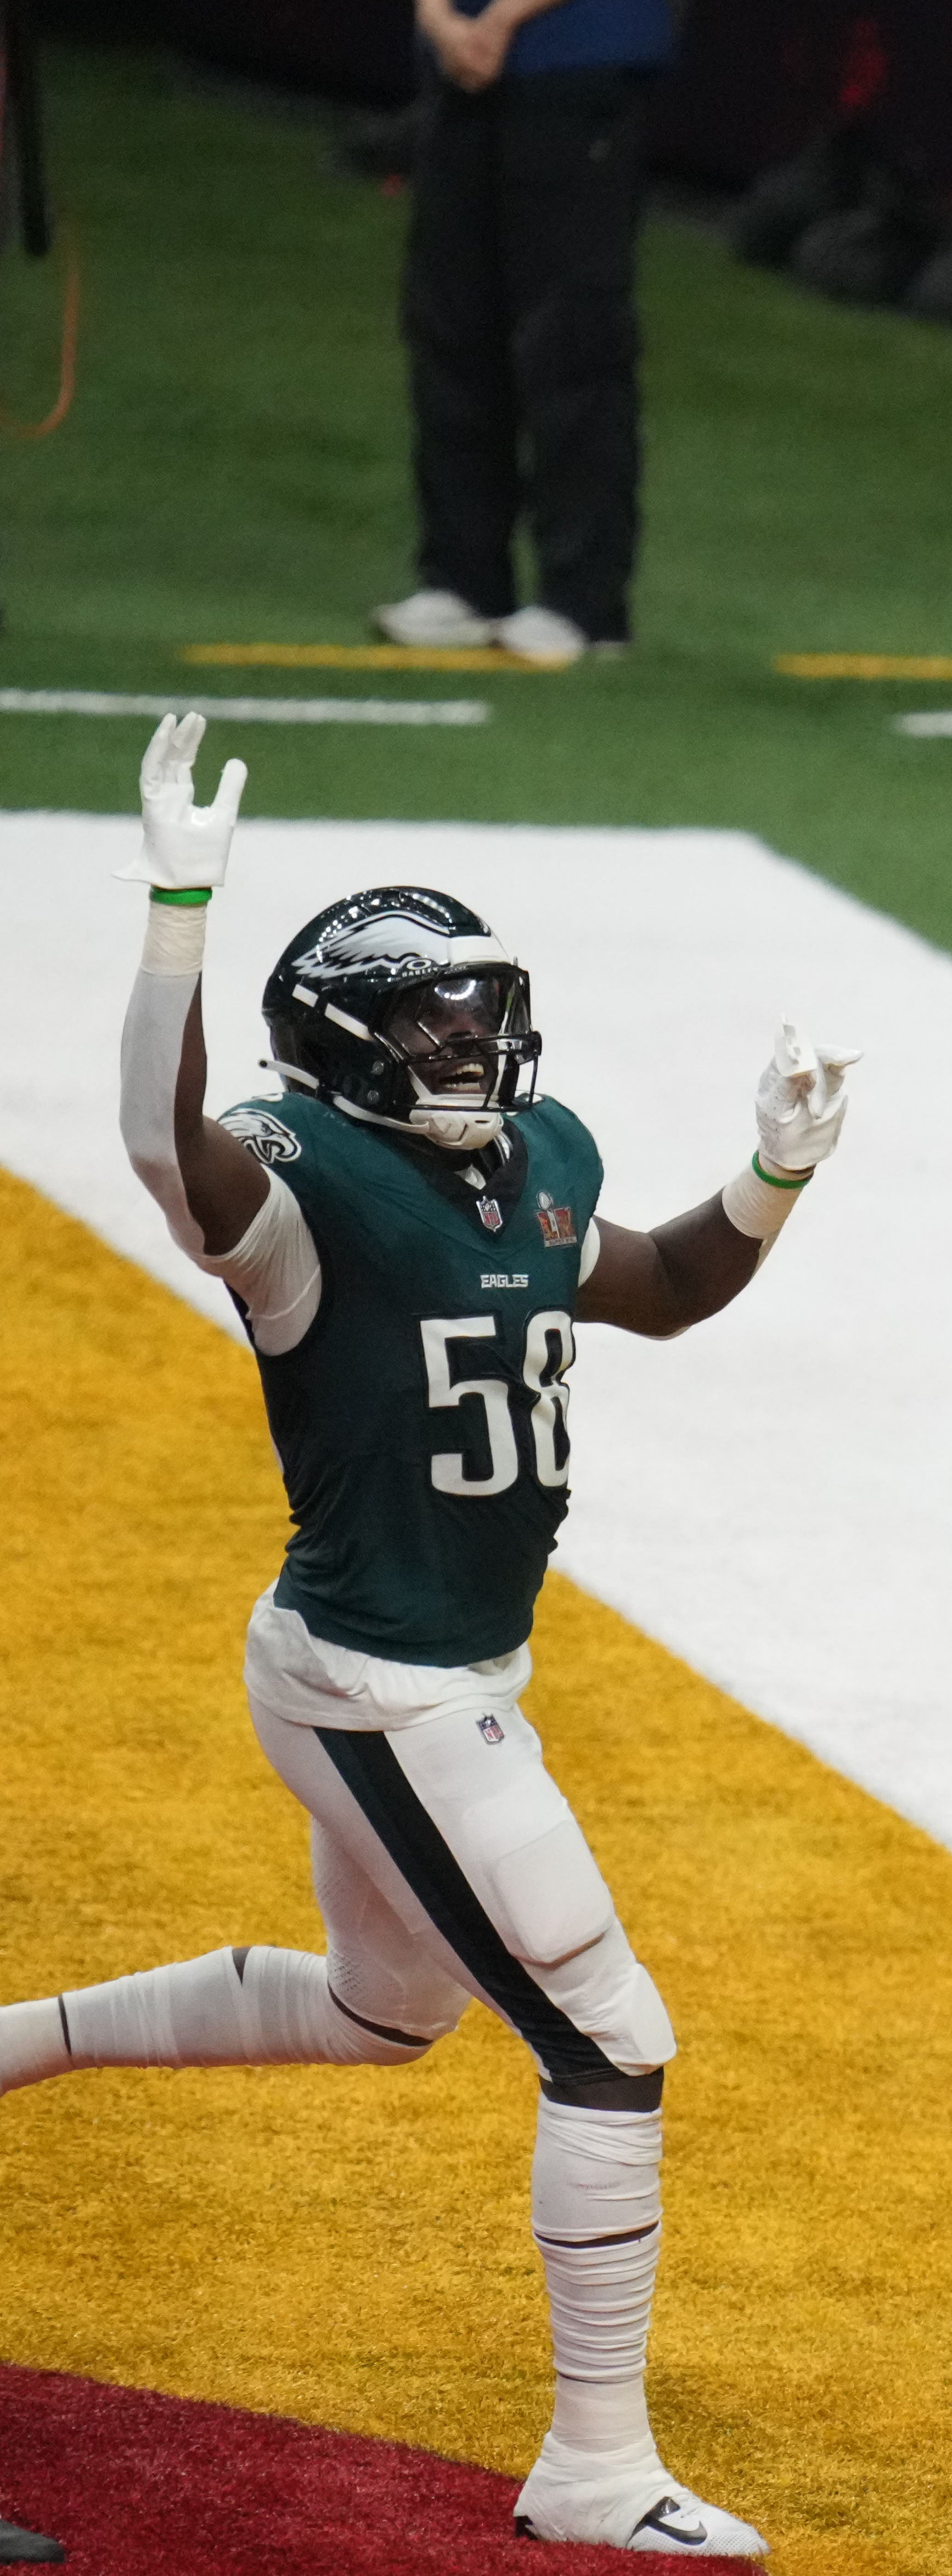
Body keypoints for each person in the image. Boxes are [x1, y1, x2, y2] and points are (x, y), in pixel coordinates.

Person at [0, 718, 863, 2555]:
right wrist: (173, 915)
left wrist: (772, 1174)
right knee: (612, 2043)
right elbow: (158, 1145)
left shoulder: (532, 1153)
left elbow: (659, 1287)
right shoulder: (299, 1177)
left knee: (385, 2010)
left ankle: (16, 2041)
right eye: (430, 1021)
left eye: (482, 1010)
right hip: (378, 1674)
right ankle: (596, 2463)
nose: (471, 1045)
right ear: (340, 1045)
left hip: (435, 1666)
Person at [370, 0, 674, 669]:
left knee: (571, 339)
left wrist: (501, 18)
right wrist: (441, 21)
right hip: (463, 68)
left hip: (578, 55)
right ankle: (463, 578)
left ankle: (583, 603)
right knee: (453, 324)